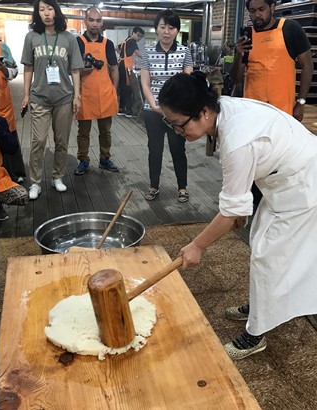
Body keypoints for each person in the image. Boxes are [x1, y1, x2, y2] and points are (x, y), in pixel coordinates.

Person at [159, 71, 317, 360]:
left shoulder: (236, 139)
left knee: (269, 255)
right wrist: (239, 209)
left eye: (178, 124)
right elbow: (241, 185)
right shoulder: (224, 109)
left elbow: (231, 204)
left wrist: (197, 246)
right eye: (170, 124)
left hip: (303, 182)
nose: (177, 132)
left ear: (204, 112)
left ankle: (255, 333)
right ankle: (262, 305)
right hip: (282, 179)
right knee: (261, 243)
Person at [230, 0, 312, 211]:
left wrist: (300, 102)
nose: (257, 15)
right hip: (252, 116)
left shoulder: (290, 29)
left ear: (272, 7)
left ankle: (282, 209)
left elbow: (307, 65)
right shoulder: (247, 36)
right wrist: (239, 54)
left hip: (282, 114)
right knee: (255, 165)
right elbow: (236, 78)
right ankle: (255, 211)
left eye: (261, 9)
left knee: (280, 166)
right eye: (252, 11)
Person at [20, 0, 83, 200]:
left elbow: (75, 70)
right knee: (38, 141)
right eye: (42, 9)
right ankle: (35, 182)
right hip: (39, 97)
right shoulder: (31, 37)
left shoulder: (68, 39)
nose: (46, 13)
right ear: (37, 13)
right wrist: (27, 95)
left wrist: (77, 96)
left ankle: (58, 177)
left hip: (64, 97)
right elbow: (28, 67)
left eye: (50, 9)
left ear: (56, 12)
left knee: (61, 141)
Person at [140, 9, 193, 202]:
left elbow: (187, 81)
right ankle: (154, 186)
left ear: (177, 30)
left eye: (171, 28)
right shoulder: (147, 53)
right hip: (152, 111)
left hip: (177, 113)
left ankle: (182, 188)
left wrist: (175, 108)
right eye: (163, 27)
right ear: (156, 29)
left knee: (178, 148)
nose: (167, 31)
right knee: (154, 150)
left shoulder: (184, 52)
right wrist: (154, 104)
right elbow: (145, 82)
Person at [73, 6, 119, 175]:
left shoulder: (108, 44)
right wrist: (83, 72)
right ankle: (83, 160)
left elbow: (114, 69)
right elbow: (74, 70)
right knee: (83, 131)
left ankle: (105, 158)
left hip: (105, 94)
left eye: (98, 21)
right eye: (91, 20)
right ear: (85, 21)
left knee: (105, 131)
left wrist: (114, 91)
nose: (94, 24)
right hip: (85, 95)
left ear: (102, 23)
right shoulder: (78, 42)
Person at [0, 40, 27, 184]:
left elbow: (14, 71)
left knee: (7, 136)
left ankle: (12, 173)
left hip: (2, 102)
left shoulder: (1, 47)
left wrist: (3, 69)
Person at [117, 26, 144, 118]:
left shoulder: (126, 40)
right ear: (133, 33)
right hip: (125, 66)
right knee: (128, 88)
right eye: (138, 35)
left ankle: (121, 109)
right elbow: (138, 53)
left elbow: (117, 48)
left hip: (121, 64)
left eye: (140, 37)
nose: (139, 38)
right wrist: (148, 59)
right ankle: (128, 110)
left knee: (122, 87)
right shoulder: (132, 41)